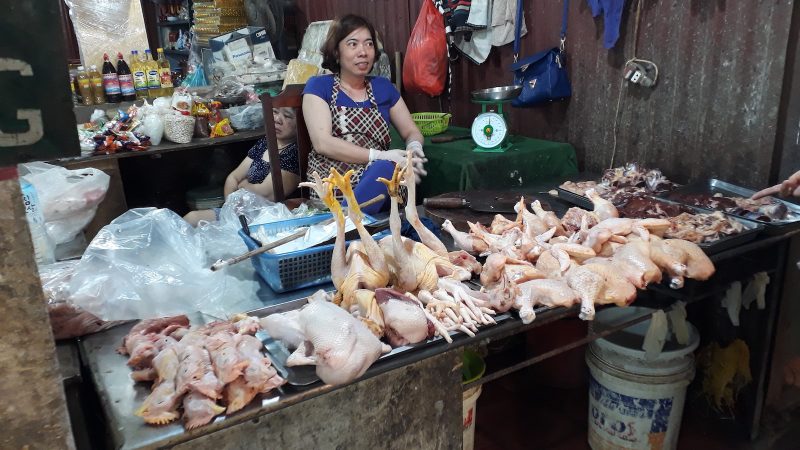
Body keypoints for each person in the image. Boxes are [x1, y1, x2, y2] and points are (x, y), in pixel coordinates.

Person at [303, 14, 426, 214]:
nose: (363, 52)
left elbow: (411, 131)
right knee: (386, 168)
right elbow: (322, 143)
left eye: (369, 44)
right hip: (335, 184)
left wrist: (414, 149)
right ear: (336, 51)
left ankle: (347, 225)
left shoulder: (383, 87)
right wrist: (378, 156)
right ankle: (343, 225)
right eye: (353, 44)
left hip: (378, 179)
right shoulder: (318, 86)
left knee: (395, 173)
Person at [183, 107, 300, 226]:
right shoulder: (265, 142)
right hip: (240, 212)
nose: (277, 119)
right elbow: (232, 178)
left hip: (264, 218)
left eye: (287, 116)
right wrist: (230, 212)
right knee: (190, 218)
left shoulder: (294, 153)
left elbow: (265, 194)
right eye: (275, 112)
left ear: (300, 121)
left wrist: (242, 186)